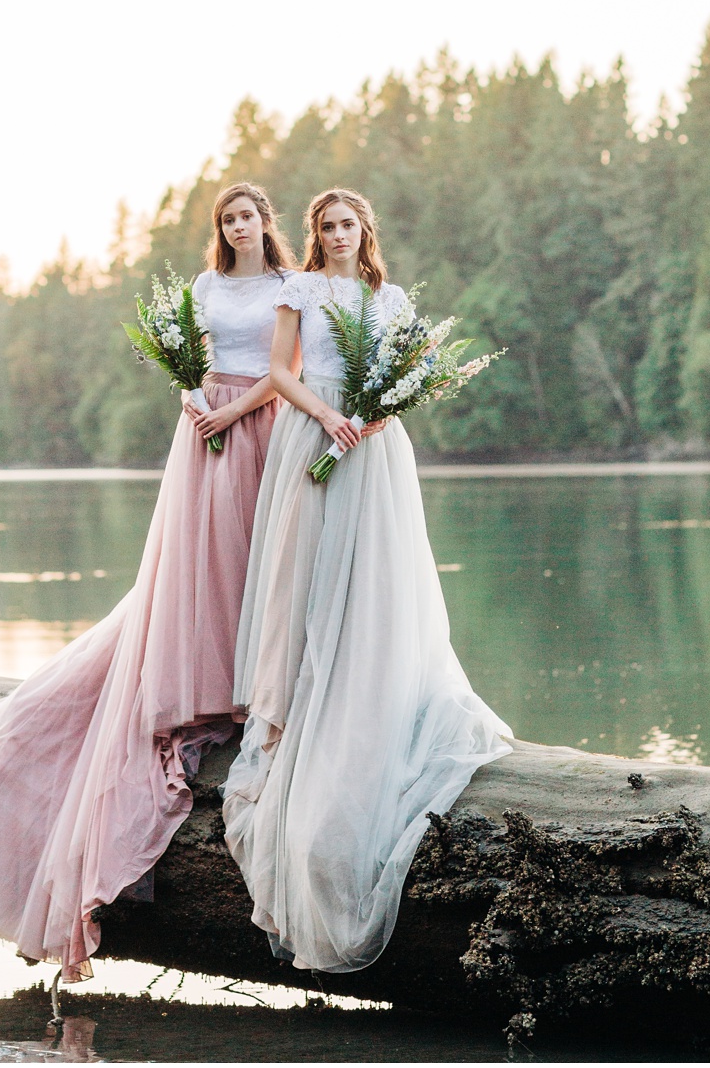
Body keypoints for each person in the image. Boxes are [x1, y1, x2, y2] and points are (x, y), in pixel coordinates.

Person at [0, 182, 295, 983]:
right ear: (221, 228)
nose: (237, 225)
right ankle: (204, 688)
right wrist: (195, 399)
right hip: (207, 432)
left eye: (247, 215)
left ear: (266, 223)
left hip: (262, 424)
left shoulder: (288, 287)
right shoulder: (205, 287)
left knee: (262, 561)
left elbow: (287, 368)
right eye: (227, 217)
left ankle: (260, 678)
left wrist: (238, 409)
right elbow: (188, 357)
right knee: (203, 561)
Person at [222, 187, 511, 974]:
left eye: (349, 225)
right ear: (315, 236)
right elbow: (279, 372)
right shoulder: (302, 290)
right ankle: (296, 705)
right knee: (303, 575)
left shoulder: (393, 299)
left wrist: (375, 416)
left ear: (366, 232)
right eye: (326, 226)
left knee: (379, 578)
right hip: (311, 434)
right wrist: (328, 415)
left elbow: (406, 375)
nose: (338, 235)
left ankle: (371, 681)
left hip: (375, 448)